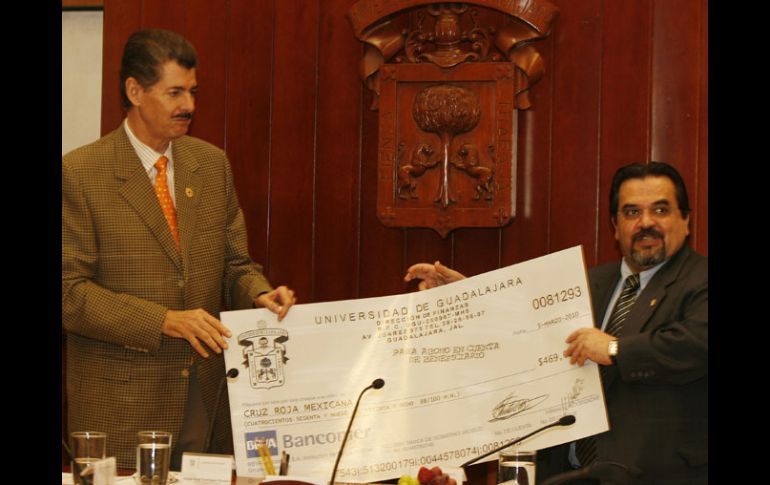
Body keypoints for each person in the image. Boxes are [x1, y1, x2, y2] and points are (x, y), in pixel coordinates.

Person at [62, 29, 297, 470]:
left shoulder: (210, 164)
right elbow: (69, 293)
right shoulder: (79, 173)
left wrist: (258, 293)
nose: (188, 105)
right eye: (174, 92)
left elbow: (234, 261)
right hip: (121, 401)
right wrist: (164, 321)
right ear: (134, 91)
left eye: (192, 92)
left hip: (205, 396)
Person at [404, 161, 707, 484]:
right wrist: (464, 300)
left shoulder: (699, 278)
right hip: (563, 475)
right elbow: (525, 332)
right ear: (615, 225)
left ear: (685, 220)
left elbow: (696, 343)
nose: (646, 222)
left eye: (660, 210)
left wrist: (615, 348)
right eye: (632, 213)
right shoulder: (586, 284)